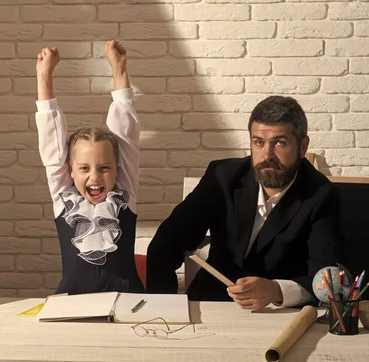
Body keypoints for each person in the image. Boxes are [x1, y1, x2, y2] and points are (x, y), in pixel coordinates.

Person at [146, 96, 342, 309]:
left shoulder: (322, 195)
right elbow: (165, 244)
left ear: (302, 146)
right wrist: (163, 307)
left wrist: (276, 290)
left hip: (279, 313)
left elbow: (325, 280)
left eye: (280, 143)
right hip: (210, 302)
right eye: (259, 142)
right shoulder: (222, 177)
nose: (267, 155)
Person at [35, 41, 144, 295]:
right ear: (69, 170)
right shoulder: (64, 198)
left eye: (105, 168)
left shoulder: (124, 196)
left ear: (118, 168)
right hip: (72, 305)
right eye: (84, 168)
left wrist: (119, 69)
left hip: (128, 304)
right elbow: (51, 145)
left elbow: (127, 137)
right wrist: (44, 76)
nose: (94, 177)